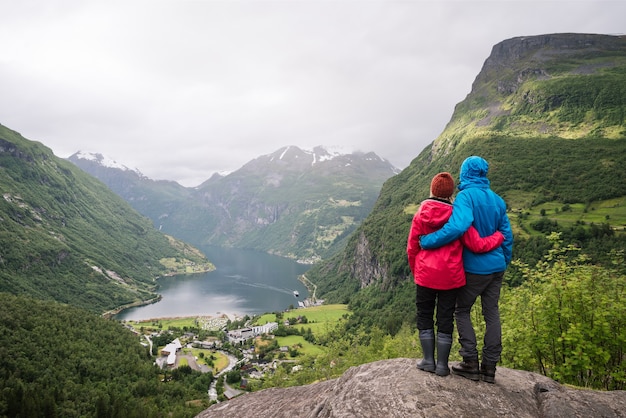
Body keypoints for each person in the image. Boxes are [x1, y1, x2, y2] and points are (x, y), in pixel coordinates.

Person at [420, 157, 513, 383]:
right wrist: (503, 261)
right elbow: (507, 236)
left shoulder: (465, 197)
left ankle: (470, 361)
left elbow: (459, 226)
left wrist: (428, 241)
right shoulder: (497, 200)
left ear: (465, 173)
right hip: (496, 267)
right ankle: (489, 367)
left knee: (462, 310)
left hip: (474, 268)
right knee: (491, 313)